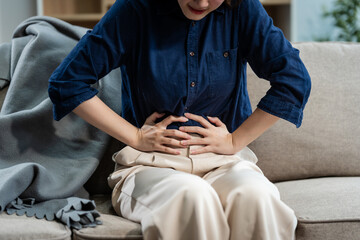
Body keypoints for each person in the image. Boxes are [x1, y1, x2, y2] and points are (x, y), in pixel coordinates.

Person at [48, 0, 311, 239]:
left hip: (223, 163)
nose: (202, 3)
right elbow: (68, 82)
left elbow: (293, 79)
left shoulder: (242, 9)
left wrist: (234, 141)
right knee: (193, 197)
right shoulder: (134, 9)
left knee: (256, 197)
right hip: (151, 167)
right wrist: (136, 136)